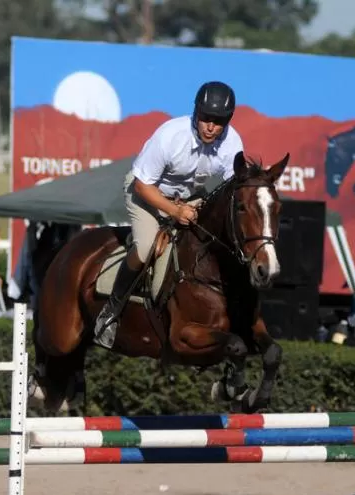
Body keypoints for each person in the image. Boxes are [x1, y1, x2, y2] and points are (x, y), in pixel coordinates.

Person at [93, 80, 245, 349]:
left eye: (219, 121)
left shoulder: (231, 141)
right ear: (196, 113)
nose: (211, 127)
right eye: (206, 119)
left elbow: (235, 186)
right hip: (147, 192)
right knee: (146, 248)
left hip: (189, 196)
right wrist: (175, 210)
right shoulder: (170, 135)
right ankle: (110, 313)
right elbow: (142, 185)